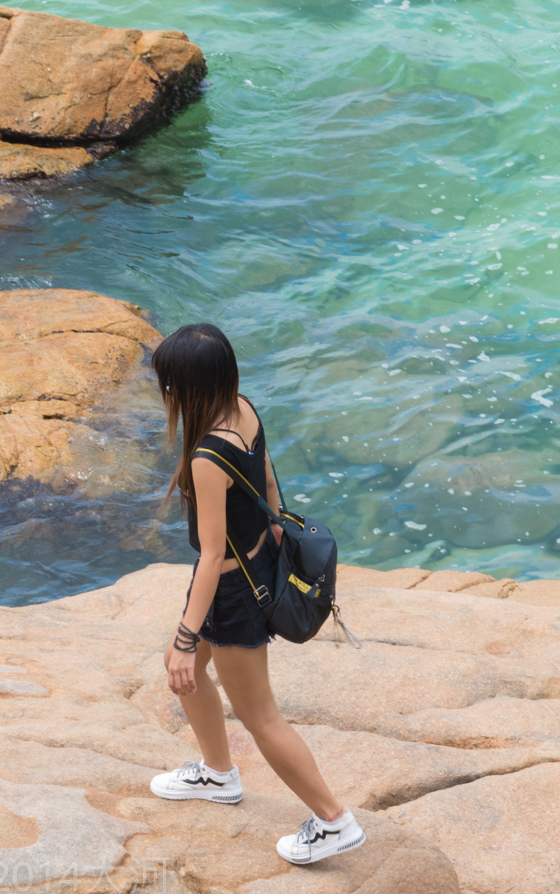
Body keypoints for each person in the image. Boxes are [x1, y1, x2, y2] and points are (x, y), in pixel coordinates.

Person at [146, 323, 364, 866]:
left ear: (187, 387)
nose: (165, 394)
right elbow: (267, 483)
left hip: (232, 591)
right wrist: (267, 539)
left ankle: (333, 820)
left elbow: (213, 555)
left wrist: (183, 632)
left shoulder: (204, 457)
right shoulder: (243, 409)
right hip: (253, 570)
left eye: (168, 384)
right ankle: (219, 774)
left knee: (260, 715)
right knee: (188, 671)